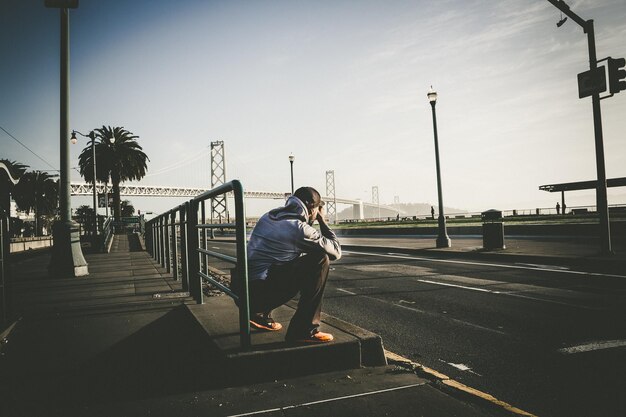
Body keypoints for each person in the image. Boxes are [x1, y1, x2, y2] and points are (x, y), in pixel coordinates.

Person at [244, 186, 342, 343]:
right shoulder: (298, 229)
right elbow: (336, 251)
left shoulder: (269, 216)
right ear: (312, 209)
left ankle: (260, 314)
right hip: (258, 296)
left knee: (279, 260)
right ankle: (304, 330)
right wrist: (322, 221)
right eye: (317, 209)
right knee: (320, 259)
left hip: (243, 291)